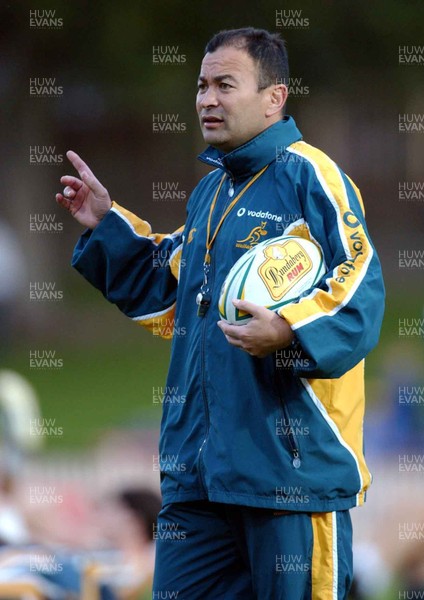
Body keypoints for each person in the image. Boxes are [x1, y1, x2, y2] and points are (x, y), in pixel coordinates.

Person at [56, 27, 385, 600]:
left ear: (273, 97)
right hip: (197, 481)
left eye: (224, 84)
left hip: (290, 479)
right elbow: (169, 294)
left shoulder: (312, 176)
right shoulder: (210, 192)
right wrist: (107, 224)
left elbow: (360, 291)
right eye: (202, 85)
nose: (207, 99)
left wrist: (286, 331)